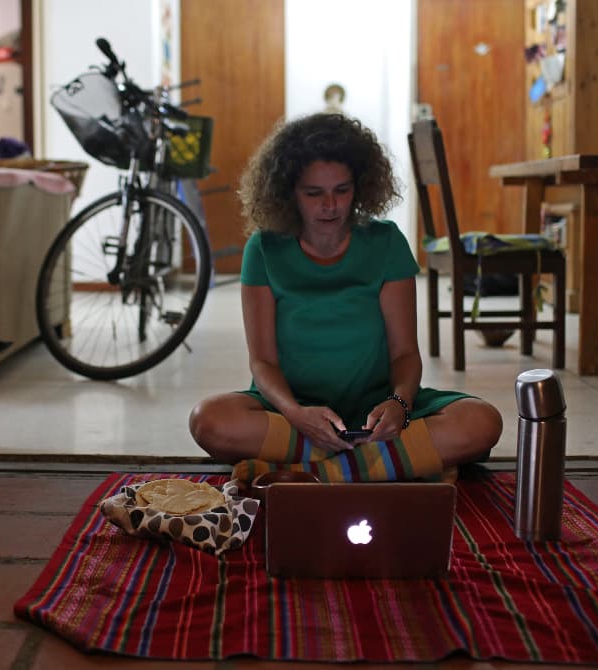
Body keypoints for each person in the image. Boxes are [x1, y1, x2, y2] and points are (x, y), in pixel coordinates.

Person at [188, 113, 502, 484]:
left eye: (342, 190)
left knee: (481, 423)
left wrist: (399, 404)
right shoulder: (263, 248)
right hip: (291, 413)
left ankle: (312, 472)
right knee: (208, 420)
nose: (330, 205)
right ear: (288, 192)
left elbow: (404, 354)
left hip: (378, 414)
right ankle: (384, 465)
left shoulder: (386, 242)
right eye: (313, 193)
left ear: (361, 186)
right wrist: (295, 413)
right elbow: (262, 362)